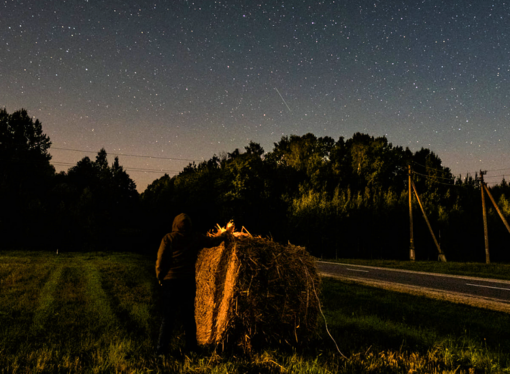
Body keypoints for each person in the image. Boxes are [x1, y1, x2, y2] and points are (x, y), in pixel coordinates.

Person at [155, 213, 232, 355]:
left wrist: (160, 277)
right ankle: (191, 348)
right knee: (189, 316)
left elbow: (161, 259)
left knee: (168, 317)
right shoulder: (195, 237)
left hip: (171, 282)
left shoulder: (168, 238)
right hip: (187, 281)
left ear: (175, 224)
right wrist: (224, 234)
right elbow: (212, 242)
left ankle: (161, 350)